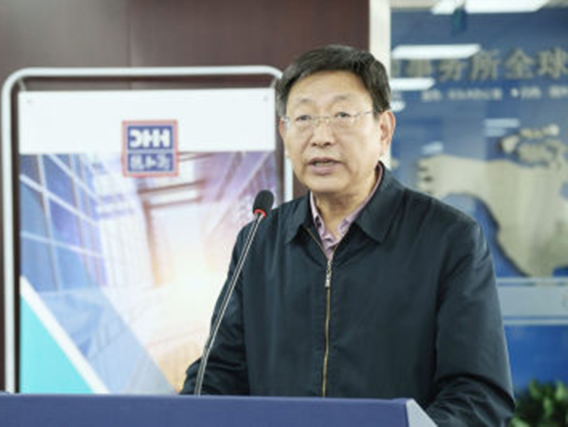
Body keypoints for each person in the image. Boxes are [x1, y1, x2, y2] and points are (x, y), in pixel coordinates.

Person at [182, 45, 515, 426]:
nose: (321, 136)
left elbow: (478, 394)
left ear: (383, 129)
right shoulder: (258, 241)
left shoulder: (448, 238)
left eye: (342, 115)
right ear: (284, 133)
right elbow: (218, 374)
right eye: (304, 118)